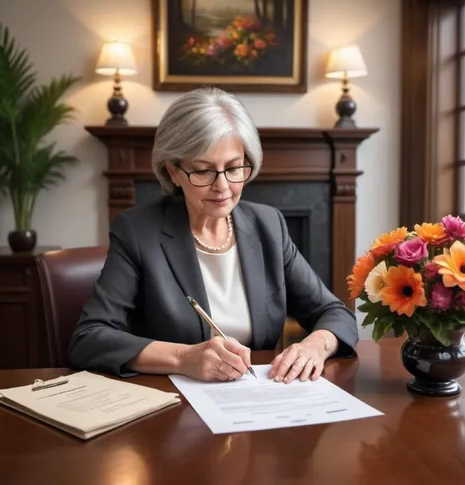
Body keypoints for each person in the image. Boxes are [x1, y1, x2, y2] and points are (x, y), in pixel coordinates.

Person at [68, 87, 358, 383]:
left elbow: (335, 312)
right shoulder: (138, 231)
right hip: (174, 406)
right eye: (203, 171)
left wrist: (314, 346)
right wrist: (183, 358)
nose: (222, 186)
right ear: (173, 173)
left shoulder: (268, 225)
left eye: (234, 168)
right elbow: (89, 338)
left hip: (260, 398)